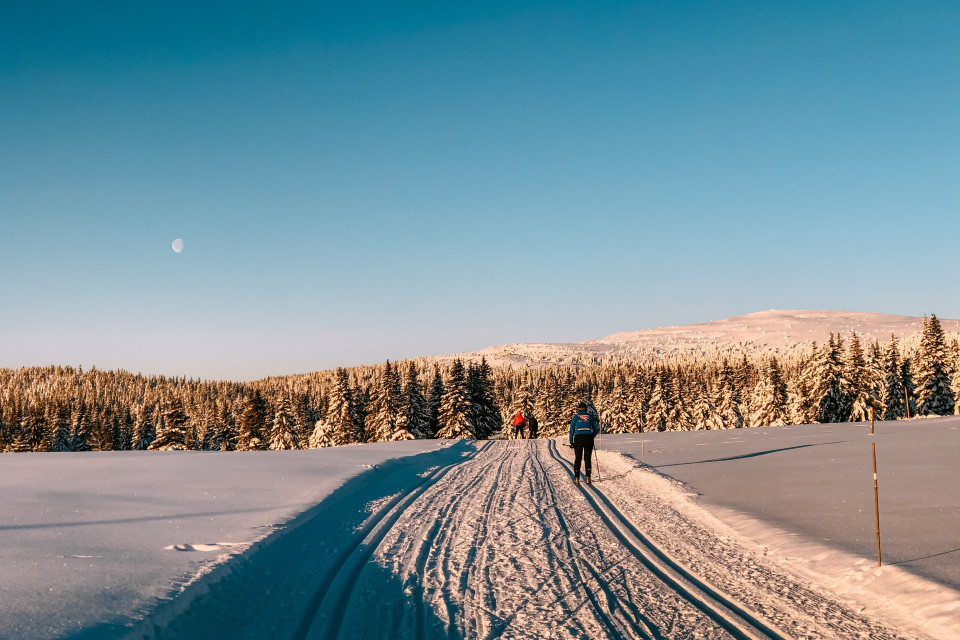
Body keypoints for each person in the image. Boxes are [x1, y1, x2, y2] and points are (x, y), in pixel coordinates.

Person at [569, 401, 599, 485]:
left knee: (578, 458)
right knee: (587, 458)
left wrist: (571, 441)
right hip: (588, 438)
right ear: (586, 409)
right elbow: (596, 428)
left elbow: (571, 430)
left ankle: (576, 478)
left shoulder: (575, 417)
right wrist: (592, 436)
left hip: (578, 438)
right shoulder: (590, 417)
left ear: (578, 409)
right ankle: (588, 477)